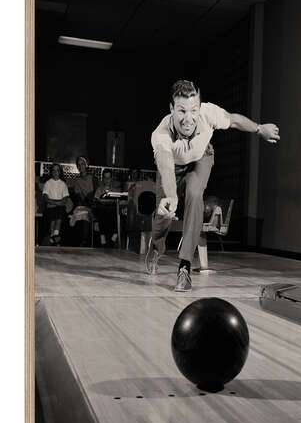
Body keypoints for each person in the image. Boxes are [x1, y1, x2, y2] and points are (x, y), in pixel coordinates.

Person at [145, 79, 280, 291]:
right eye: (181, 111)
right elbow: (165, 164)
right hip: (172, 166)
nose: (188, 119)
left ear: (199, 107)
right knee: (163, 213)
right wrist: (171, 196)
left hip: (201, 157)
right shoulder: (161, 133)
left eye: (193, 110)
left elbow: (234, 120)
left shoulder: (209, 113)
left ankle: (185, 266)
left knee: (194, 194)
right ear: (171, 109)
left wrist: (259, 129)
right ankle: (156, 247)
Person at [69, 156, 95, 246]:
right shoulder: (77, 180)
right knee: (82, 212)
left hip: (93, 204)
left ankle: (83, 242)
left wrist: (89, 198)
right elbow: (78, 195)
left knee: (83, 212)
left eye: (82, 164)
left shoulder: (93, 178)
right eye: (78, 165)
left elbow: (96, 193)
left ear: (86, 165)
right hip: (83, 205)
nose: (80, 166)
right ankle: (82, 242)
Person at [42, 163, 70, 245]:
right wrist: (58, 202)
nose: (55, 172)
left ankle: (53, 236)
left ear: (60, 172)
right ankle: (55, 236)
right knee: (53, 212)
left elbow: (64, 200)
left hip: (59, 208)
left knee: (60, 210)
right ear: (51, 172)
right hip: (50, 209)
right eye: (53, 170)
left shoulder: (63, 184)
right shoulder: (48, 183)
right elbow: (46, 198)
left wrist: (52, 203)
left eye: (57, 170)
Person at [94, 169, 121, 247]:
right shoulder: (99, 189)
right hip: (102, 211)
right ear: (103, 178)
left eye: (108, 178)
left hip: (112, 211)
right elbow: (96, 200)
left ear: (111, 178)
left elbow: (118, 201)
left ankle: (114, 236)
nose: (107, 180)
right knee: (101, 209)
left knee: (116, 211)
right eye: (105, 178)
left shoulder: (115, 190)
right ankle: (103, 237)